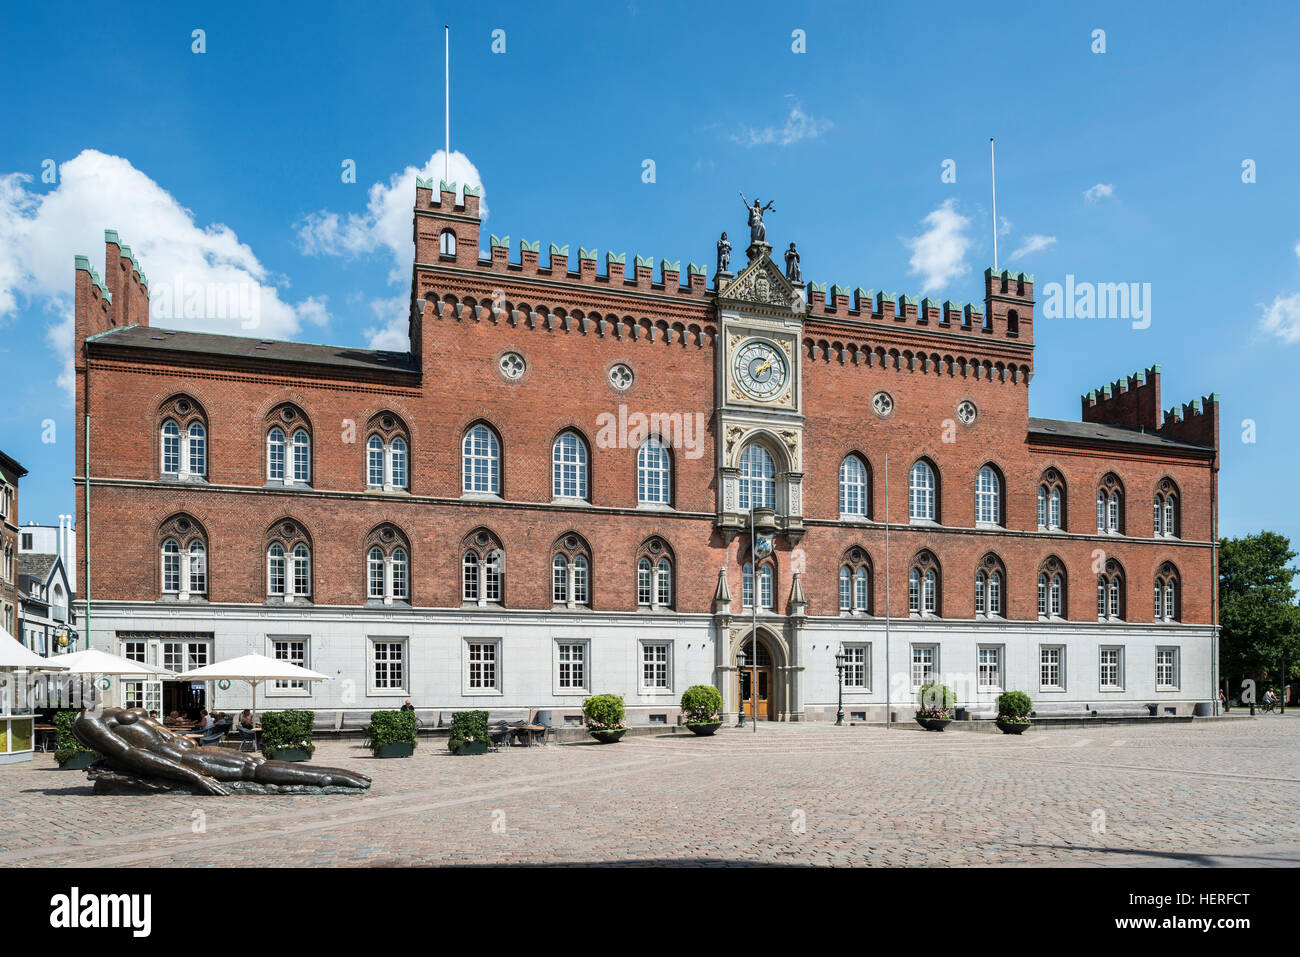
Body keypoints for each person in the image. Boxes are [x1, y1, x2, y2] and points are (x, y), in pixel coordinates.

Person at [73, 708, 370, 795]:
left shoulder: (100, 709)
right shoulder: (88, 723)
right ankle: (329, 779)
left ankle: (334, 774)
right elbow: (133, 756)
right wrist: (194, 777)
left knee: (256, 764)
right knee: (253, 771)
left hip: (189, 749)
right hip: (184, 759)